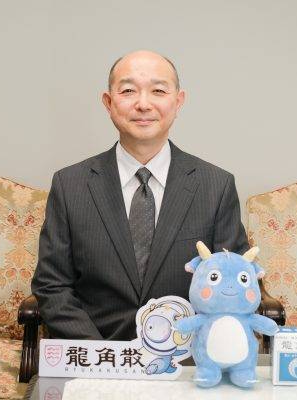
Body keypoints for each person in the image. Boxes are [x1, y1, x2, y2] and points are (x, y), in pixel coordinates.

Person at [32, 50, 248, 340]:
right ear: (108, 102)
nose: (143, 104)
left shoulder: (216, 186)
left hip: (185, 356)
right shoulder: (70, 185)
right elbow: (52, 285)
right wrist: (102, 356)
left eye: (158, 91)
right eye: (128, 91)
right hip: (97, 354)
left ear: (178, 101)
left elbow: (234, 285)